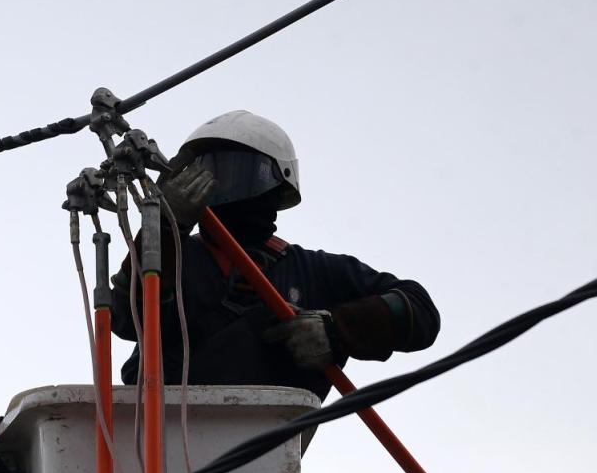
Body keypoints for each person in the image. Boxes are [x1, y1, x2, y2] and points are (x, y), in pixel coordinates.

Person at [110, 110, 440, 401]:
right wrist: (164, 230)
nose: (221, 186)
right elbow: (126, 316)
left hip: (269, 438)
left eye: (240, 174)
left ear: (276, 184)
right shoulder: (174, 257)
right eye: (210, 172)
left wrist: (337, 329)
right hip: (166, 431)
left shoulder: (313, 271)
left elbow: (419, 310)